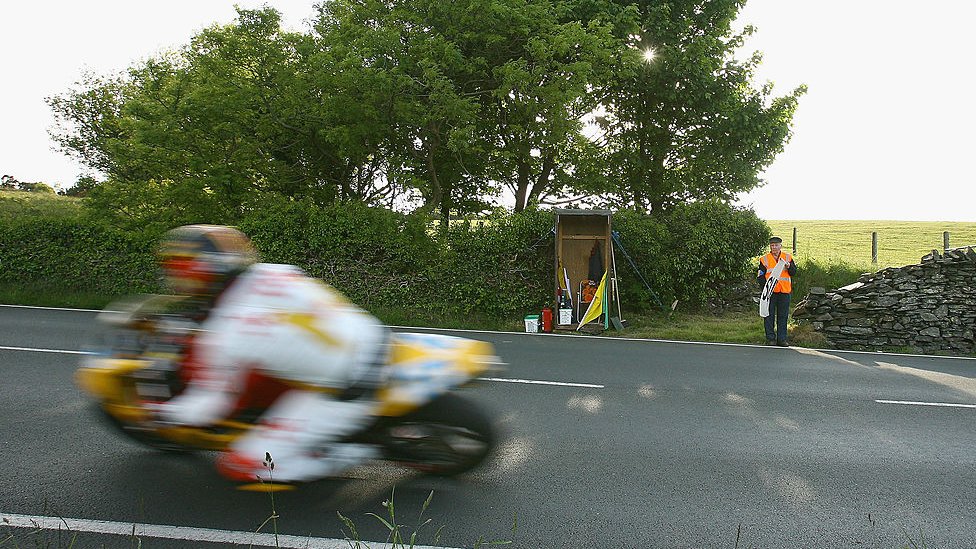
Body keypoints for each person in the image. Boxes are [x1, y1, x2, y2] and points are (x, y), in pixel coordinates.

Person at [152, 224, 389, 485]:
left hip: (346, 391)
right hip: (370, 334)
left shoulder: (224, 335)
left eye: (182, 277)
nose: (179, 284)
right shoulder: (275, 271)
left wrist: (163, 414)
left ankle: (340, 456)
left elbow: (210, 403)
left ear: (201, 276)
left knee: (239, 466)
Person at [757, 236, 796, 347]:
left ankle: (782, 339)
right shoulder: (764, 259)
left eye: (776, 245)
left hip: (784, 292)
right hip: (770, 292)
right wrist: (765, 289)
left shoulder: (787, 258)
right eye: (772, 245)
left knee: (783, 316)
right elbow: (760, 276)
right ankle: (770, 339)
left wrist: (789, 267)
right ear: (770, 246)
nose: (774, 247)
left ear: (780, 246)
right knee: (768, 316)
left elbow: (793, 272)